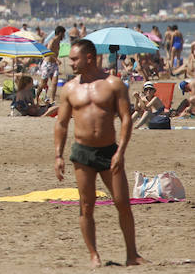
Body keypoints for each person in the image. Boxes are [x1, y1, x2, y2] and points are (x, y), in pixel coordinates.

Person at [53, 39, 145, 268]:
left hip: (109, 151)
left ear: (90, 58)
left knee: (122, 202)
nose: (70, 63)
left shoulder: (114, 85)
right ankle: (94, 255)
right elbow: (62, 123)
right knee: (86, 205)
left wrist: (121, 151)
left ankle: (132, 255)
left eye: (74, 59)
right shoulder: (70, 88)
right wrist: (58, 155)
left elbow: (125, 118)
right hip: (82, 152)